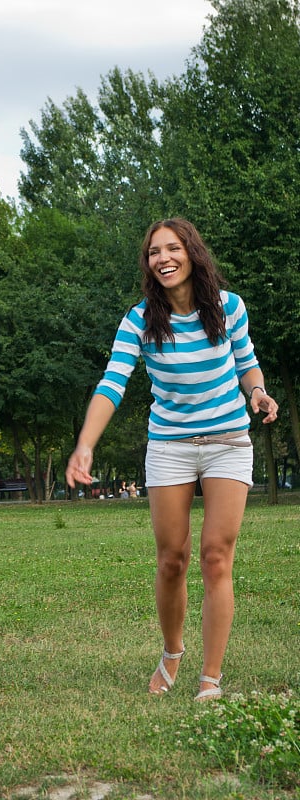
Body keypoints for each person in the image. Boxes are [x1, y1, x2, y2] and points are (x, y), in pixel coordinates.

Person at [66, 218, 278, 701]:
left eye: (172, 248)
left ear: (192, 252)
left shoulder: (229, 308)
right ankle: (172, 652)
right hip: (170, 447)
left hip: (228, 441)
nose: (163, 258)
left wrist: (259, 393)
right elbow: (112, 383)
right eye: (153, 253)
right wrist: (85, 443)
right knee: (171, 560)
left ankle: (211, 679)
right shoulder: (139, 320)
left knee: (216, 558)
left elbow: (246, 363)